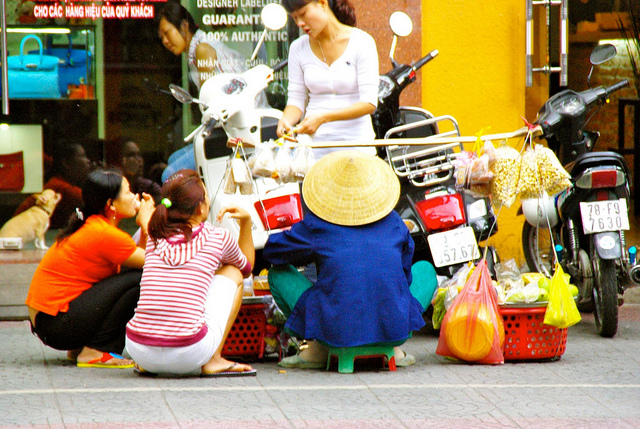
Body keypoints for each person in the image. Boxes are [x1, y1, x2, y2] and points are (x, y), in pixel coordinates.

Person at [263, 151, 438, 369]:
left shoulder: (318, 224)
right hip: (394, 326)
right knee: (426, 270)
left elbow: (273, 252)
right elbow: (404, 275)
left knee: (278, 273)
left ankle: (317, 349)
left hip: (336, 329)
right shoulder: (394, 221)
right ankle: (393, 348)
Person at [125, 169, 257, 377]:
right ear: (199, 208)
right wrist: (246, 222)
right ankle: (214, 360)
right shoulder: (218, 237)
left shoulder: (154, 233)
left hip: (139, 350)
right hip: (188, 353)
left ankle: (151, 359)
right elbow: (247, 268)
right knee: (233, 272)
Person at [25, 169, 155, 368]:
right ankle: (97, 350)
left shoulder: (95, 226)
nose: (134, 197)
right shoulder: (104, 233)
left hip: (49, 323)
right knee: (139, 281)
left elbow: (142, 261)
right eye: (128, 192)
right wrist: (147, 223)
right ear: (110, 204)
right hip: (55, 324)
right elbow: (154, 264)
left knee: (135, 276)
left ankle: (82, 347)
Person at [157, 1, 268, 183]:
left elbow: (210, 105)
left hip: (239, 130)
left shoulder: (202, 49)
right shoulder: (198, 48)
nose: (165, 41)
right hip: (228, 127)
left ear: (184, 26)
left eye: (167, 33)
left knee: (169, 175)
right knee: (172, 161)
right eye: (161, 37)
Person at [277, 0, 379, 159]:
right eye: (294, 18)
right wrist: (286, 120)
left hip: (357, 146)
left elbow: (369, 103)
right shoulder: (298, 48)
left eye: (303, 14)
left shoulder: (362, 42)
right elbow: (296, 100)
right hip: (315, 148)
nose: (300, 23)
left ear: (323, 3)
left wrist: (323, 118)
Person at [14, 141, 92, 229]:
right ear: (66, 163)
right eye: (82, 156)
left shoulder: (58, 183)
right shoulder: (60, 187)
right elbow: (95, 201)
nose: (88, 161)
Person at [119, 139, 162, 204]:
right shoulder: (113, 188)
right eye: (131, 155)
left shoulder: (150, 188)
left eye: (139, 155)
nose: (138, 160)